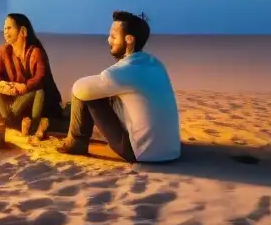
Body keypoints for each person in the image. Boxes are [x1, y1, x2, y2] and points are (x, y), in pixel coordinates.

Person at [57, 11, 180, 163]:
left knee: (85, 92)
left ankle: (76, 143)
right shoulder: (156, 64)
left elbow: (78, 88)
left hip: (138, 152)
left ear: (129, 39)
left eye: (114, 37)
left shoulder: (122, 71)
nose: (109, 40)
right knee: (106, 92)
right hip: (171, 150)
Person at [0, 13, 63, 139]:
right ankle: (9, 119)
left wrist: (24, 87)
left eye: (9, 28)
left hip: (38, 101)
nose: (5, 31)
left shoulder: (36, 52)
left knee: (39, 90)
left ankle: (33, 125)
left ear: (23, 31)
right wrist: (3, 85)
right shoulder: (3, 51)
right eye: (4, 28)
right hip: (16, 100)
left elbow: (40, 77)